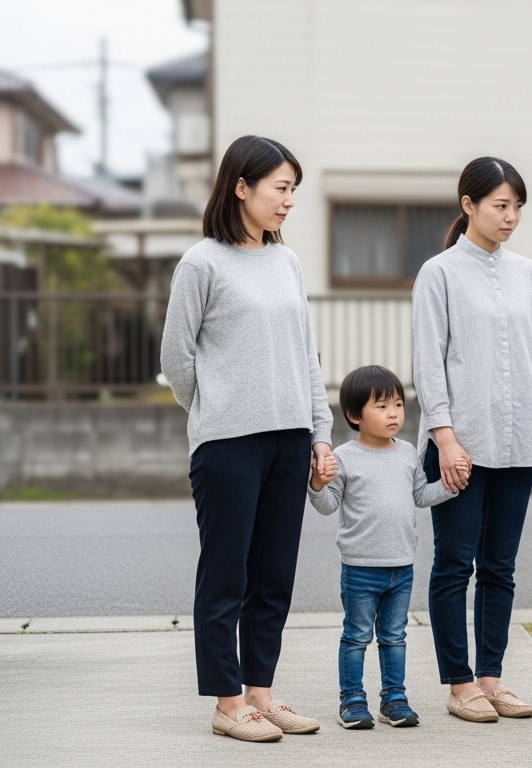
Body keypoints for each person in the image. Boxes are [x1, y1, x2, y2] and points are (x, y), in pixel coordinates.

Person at [161, 135, 331, 742]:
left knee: (274, 575)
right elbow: (175, 357)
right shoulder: (201, 263)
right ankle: (228, 702)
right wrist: (214, 409)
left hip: (290, 441)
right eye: (280, 188)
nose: (289, 201)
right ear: (241, 187)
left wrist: (320, 433)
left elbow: (306, 356)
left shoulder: (286, 262)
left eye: (293, 190)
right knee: (226, 574)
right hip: (228, 444)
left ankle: (261, 692)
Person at [412, 156, 532, 724]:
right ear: (468, 205)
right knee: (454, 564)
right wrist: (445, 439)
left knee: (501, 566)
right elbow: (429, 364)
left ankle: (492, 679)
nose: (511, 216)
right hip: (460, 444)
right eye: (501, 205)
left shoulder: (529, 273)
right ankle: (459, 683)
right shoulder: (439, 272)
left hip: (520, 441)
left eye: (517, 205)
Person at [307, 365, 463, 730]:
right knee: (357, 636)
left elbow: (421, 495)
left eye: (397, 404)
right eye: (381, 406)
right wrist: (317, 481)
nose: (393, 413)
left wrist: (452, 485)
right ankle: (352, 700)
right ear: (353, 415)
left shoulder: (408, 452)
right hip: (360, 567)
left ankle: (394, 699)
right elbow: (328, 505)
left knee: (394, 637)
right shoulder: (344, 457)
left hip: (401, 566)